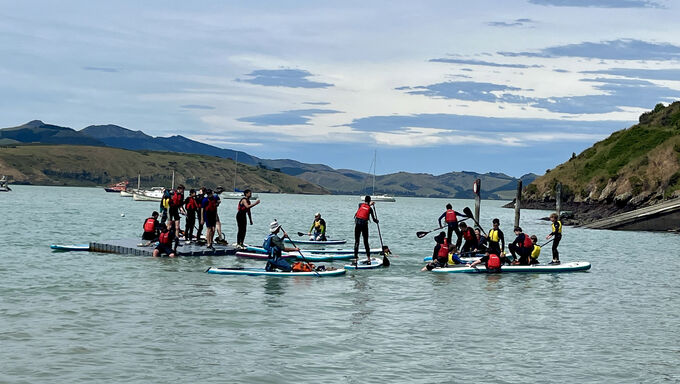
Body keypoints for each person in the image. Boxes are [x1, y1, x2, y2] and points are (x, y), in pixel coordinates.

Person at [354, 196, 379, 265]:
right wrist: (377, 221)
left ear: (364, 200)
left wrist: (369, 204)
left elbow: (361, 204)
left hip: (357, 225)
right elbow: (374, 220)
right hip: (364, 226)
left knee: (357, 242)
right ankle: (368, 260)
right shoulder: (370, 209)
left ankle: (355, 259)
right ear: (370, 200)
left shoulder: (360, 205)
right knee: (366, 242)